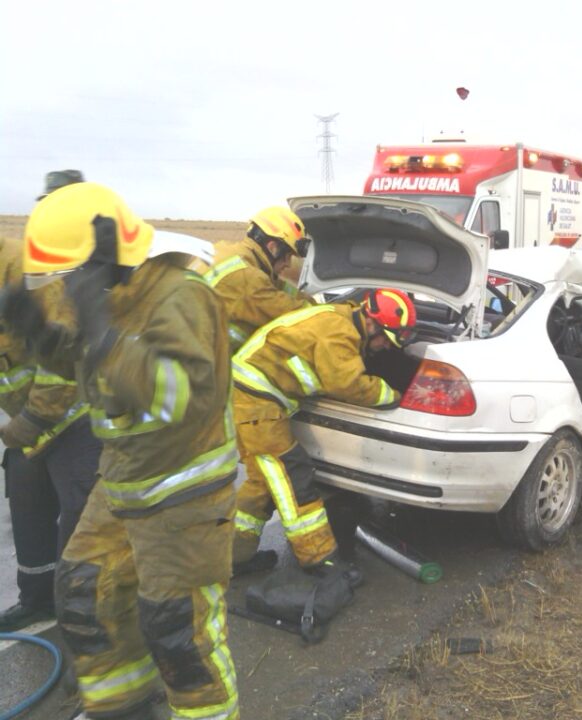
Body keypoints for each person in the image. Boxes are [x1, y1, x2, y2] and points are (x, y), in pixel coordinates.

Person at [2, 182, 240, 720]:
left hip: (185, 493)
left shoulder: (182, 295)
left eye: (65, 279)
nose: (63, 291)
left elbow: (177, 394)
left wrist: (103, 334)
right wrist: (39, 334)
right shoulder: (113, 295)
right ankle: (120, 709)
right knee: (87, 597)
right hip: (123, 482)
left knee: (179, 633)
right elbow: (94, 374)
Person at [230, 288, 416, 582]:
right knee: (292, 474)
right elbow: (349, 384)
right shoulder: (340, 335)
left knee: (262, 481)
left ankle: (235, 557)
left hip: (247, 393)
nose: (382, 348)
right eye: (384, 340)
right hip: (256, 401)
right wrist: (392, 395)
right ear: (373, 324)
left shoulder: (343, 315)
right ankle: (319, 558)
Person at [0, 170, 101, 633]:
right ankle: (37, 598)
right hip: (30, 425)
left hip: (77, 421)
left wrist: (27, 422)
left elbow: (58, 364)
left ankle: (81, 614)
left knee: (81, 523)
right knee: (28, 505)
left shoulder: (41, 274)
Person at [200, 205, 313, 352]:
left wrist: (312, 301)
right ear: (273, 248)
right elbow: (297, 314)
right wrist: (346, 314)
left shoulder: (225, 251)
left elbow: (282, 289)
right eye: (288, 256)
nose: (288, 264)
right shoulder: (247, 279)